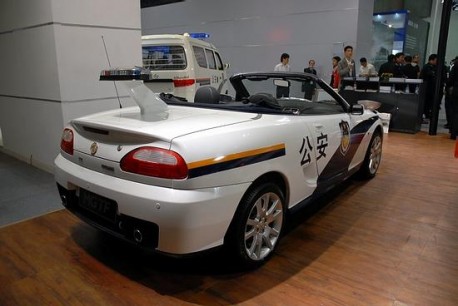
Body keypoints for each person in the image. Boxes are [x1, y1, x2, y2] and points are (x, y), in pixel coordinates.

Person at [420, 54, 439, 122]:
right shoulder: (426, 67)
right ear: (431, 60)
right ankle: (422, 116)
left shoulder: (434, 67)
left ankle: (427, 114)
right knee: (425, 103)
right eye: (436, 60)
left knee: (429, 103)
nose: (437, 62)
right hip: (426, 89)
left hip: (431, 89)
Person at [446, 59, 458, 139]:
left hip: (456, 90)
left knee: (455, 112)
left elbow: (451, 78)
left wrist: (448, 86)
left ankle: (453, 133)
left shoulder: (456, 64)